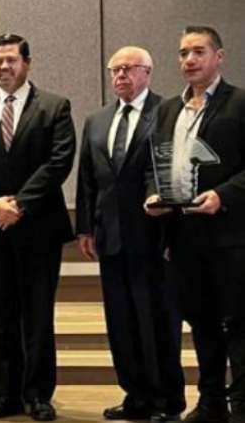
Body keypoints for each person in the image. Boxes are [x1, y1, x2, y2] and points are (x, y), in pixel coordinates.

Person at [0, 34, 75, 422]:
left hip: (38, 228)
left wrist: (19, 204)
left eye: (10, 60)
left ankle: (38, 395)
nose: (3, 67)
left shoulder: (54, 106)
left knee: (37, 317)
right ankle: (3, 394)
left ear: (27, 62)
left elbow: (59, 162)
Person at [76, 47, 186, 423]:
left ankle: (166, 400)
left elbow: (170, 168)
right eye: (115, 70)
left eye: (129, 69)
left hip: (153, 236)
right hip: (109, 237)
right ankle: (135, 395)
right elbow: (87, 179)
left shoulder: (167, 112)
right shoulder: (96, 120)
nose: (120, 76)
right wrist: (84, 228)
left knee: (157, 320)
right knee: (120, 321)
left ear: (148, 73)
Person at [145, 26, 245, 423]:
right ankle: (210, 403)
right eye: (183, 53)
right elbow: (158, 165)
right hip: (184, 237)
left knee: (238, 323)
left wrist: (224, 195)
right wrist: (154, 193)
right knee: (200, 322)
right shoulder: (169, 109)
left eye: (198, 52)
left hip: (230, 235)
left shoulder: (240, 103)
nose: (189, 60)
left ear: (219, 56)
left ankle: (242, 406)